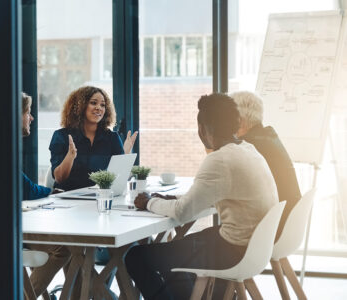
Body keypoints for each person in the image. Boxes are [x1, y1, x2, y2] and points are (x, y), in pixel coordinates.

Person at [125, 93, 278, 299]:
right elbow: (211, 195)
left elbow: (182, 214)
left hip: (233, 252)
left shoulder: (220, 159)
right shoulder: (250, 150)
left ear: (204, 129)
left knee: (136, 257)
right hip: (253, 249)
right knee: (179, 249)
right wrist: (176, 200)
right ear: (236, 122)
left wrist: (149, 202)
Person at [0, 93, 70, 296]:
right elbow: (24, 189)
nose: (31, 118)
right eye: (27, 112)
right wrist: (51, 192)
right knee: (63, 248)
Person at [230, 91, 301, 241]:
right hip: (290, 222)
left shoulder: (249, 146)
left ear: (239, 120)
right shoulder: (268, 136)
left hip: (272, 228)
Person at [49, 86, 138, 191]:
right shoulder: (61, 136)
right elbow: (60, 178)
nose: (99, 108)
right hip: (67, 198)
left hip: (99, 197)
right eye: (93, 103)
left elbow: (119, 179)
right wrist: (70, 157)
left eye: (102, 105)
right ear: (79, 106)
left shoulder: (112, 138)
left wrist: (125, 155)